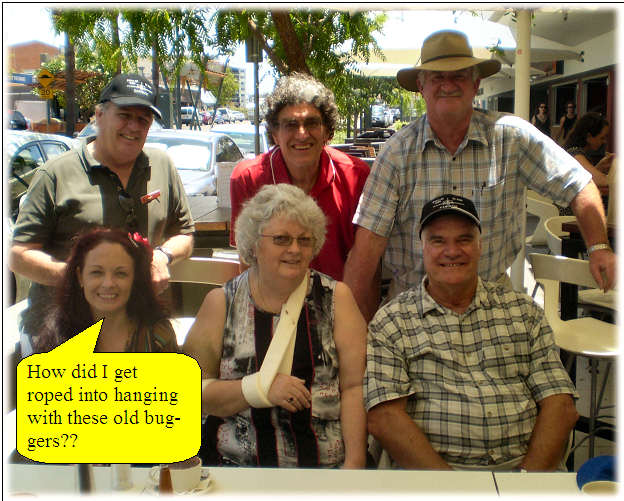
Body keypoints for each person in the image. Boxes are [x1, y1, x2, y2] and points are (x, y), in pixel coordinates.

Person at [344, 29, 615, 321]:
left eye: (458, 75)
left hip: (490, 307)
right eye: (437, 77)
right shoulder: (396, 153)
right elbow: (366, 253)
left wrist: (599, 247)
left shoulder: (512, 137)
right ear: (421, 87)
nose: (448, 84)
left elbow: (578, 184)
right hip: (413, 310)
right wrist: (356, 337)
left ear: (476, 84)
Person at [365, 194, 579, 471]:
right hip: (434, 477)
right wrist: (457, 490)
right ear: (422, 248)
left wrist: (525, 484)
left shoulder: (523, 311)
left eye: (464, 239)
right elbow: (384, 419)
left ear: (480, 247)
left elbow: (559, 403)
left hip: (527, 470)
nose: (452, 251)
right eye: (438, 240)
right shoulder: (391, 321)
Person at [183, 184, 367, 468]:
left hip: (323, 471)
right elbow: (191, 393)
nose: (295, 249)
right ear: (254, 243)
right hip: (236, 467)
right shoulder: (221, 304)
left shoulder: (336, 299)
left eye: (304, 240)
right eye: (281, 239)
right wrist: (259, 388)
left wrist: (354, 465)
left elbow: (354, 387)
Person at [9, 73, 194, 353]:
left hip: (139, 324)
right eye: (124, 115)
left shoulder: (161, 165)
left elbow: (185, 233)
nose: (133, 126)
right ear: (99, 115)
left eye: (143, 119)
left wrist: (162, 256)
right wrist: (77, 278)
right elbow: (19, 255)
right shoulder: (56, 174)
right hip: (64, 328)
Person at [229, 73, 370, 281]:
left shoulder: (355, 176)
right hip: (274, 304)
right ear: (275, 134)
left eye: (311, 123)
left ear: (327, 131)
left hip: (339, 304)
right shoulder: (247, 178)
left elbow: (365, 262)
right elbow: (248, 262)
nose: (302, 134)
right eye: (291, 125)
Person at [34, 227, 177, 353]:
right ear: (80, 277)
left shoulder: (158, 337)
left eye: (120, 273)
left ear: (134, 279)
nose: (108, 283)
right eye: (97, 272)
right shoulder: (57, 337)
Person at [564, 112, 614, 187]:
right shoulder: (575, 154)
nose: (604, 141)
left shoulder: (578, 152)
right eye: (602, 138)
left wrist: (600, 167)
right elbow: (600, 180)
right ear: (589, 137)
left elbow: (584, 176)